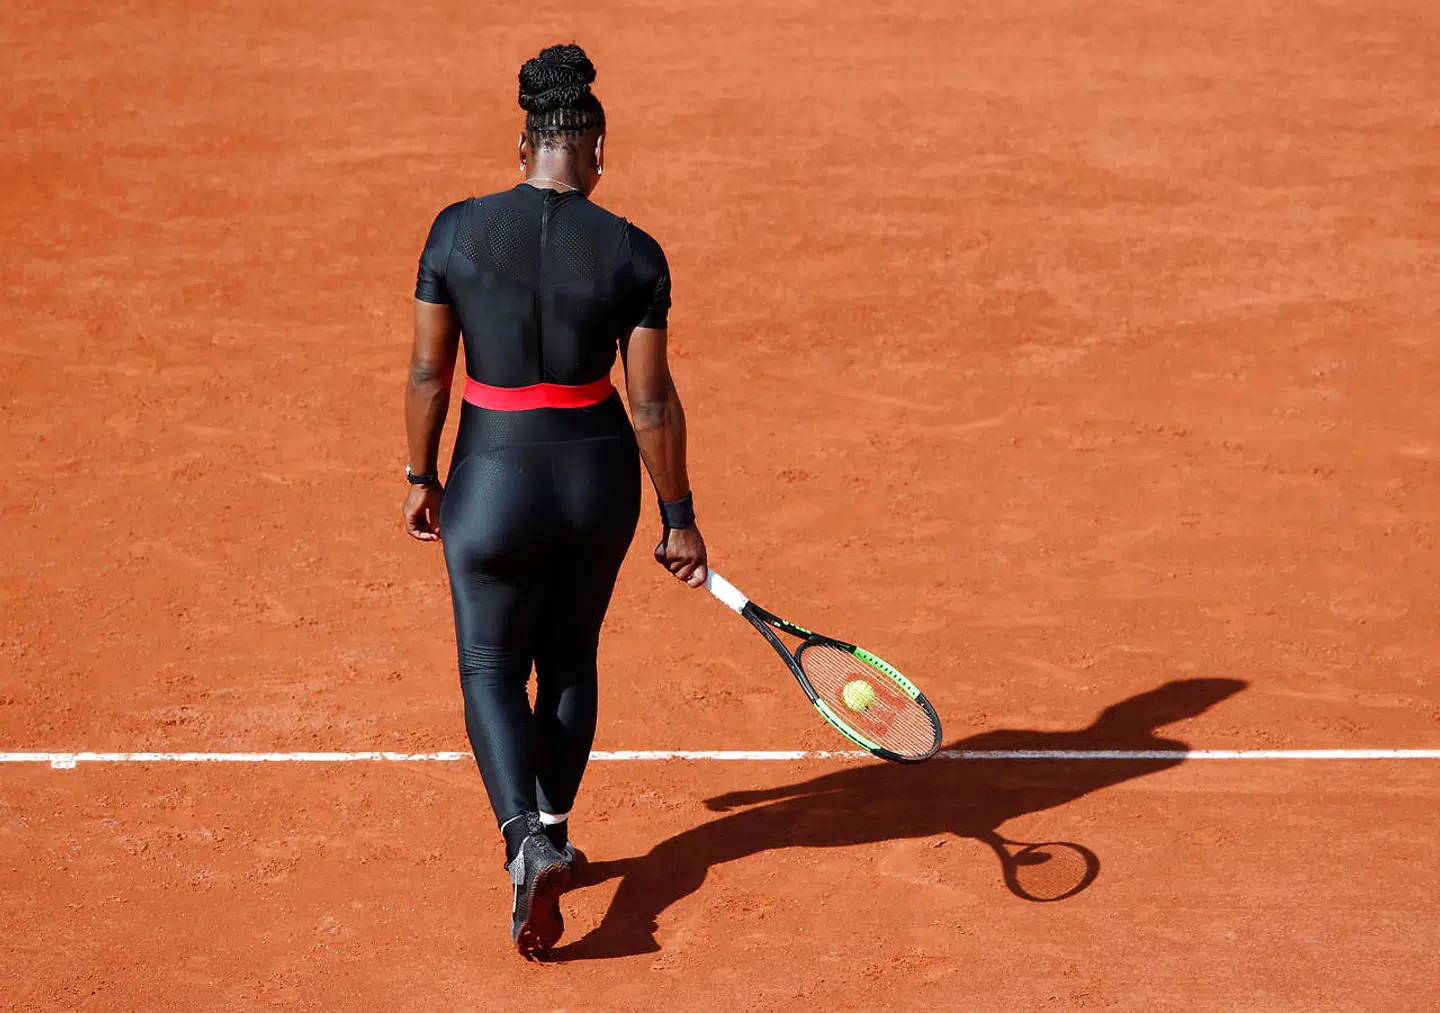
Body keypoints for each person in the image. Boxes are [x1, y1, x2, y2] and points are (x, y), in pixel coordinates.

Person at [400, 42, 707, 958]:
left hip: (490, 476)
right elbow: (650, 402)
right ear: (597, 147)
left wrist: (421, 477)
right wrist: (679, 516)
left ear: (522, 143)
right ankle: (556, 830)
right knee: (570, 657)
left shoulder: (455, 232)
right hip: (596, 482)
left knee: (491, 663)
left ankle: (523, 842)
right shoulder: (634, 251)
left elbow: (429, 374)